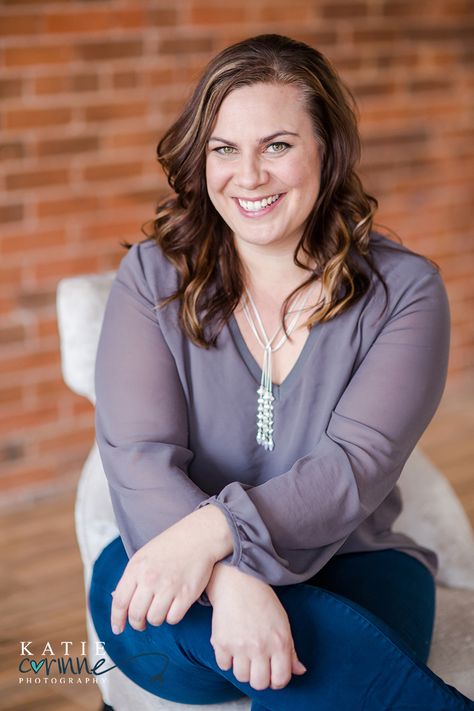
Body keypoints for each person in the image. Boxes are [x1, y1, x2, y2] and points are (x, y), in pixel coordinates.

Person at [89, 34, 474, 710]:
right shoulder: (151, 277)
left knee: (316, 664)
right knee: (140, 593)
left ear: (328, 152)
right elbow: (139, 458)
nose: (249, 175)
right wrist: (230, 583)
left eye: (277, 145)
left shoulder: (405, 291)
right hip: (166, 566)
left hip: (354, 562)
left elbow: (353, 467)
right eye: (224, 149)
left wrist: (218, 537)